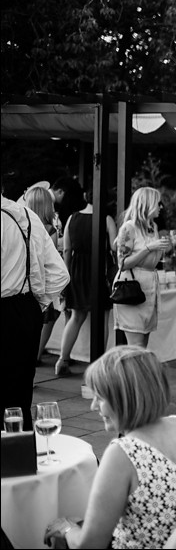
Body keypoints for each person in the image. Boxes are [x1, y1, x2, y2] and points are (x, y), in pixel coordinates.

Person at [43, 346, 176, 548]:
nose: (93, 406)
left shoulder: (124, 453)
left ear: (124, 398)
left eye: (100, 398)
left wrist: (66, 527)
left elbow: (88, 545)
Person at [2, 182, 69, 431]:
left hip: (13, 309)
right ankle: (22, 460)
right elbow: (60, 274)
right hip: (25, 310)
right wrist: (36, 304)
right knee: (20, 394)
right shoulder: (28, 216)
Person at [56, 185, 119, 376]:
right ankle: (99, 363)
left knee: (76, 317)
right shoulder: (106, 219)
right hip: (99, 269)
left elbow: (66, 250)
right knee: (103, 318)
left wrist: (67, 273)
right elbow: (115, 248)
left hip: (77, 270)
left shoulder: (72, 219)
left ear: (86, 196)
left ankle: (62, 359)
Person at [114, 187, 175, 348]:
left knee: (143, 344)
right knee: (136, 345)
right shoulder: (129, 228)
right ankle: (130, 373)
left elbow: (154, 257)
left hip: (150, 285)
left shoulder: (152, 227)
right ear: (147, 204)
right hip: (133, 285)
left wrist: (166, 245)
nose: (161, 207)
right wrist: (149, 248)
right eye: (158, 203)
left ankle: (137, 373)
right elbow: (122, 263)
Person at [22, 185, 63, 366]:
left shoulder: (22, 226)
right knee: (42, 322)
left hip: (23, 282)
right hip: (40, 285)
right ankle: (35, 356)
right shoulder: (50, 231)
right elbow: (50, 263)